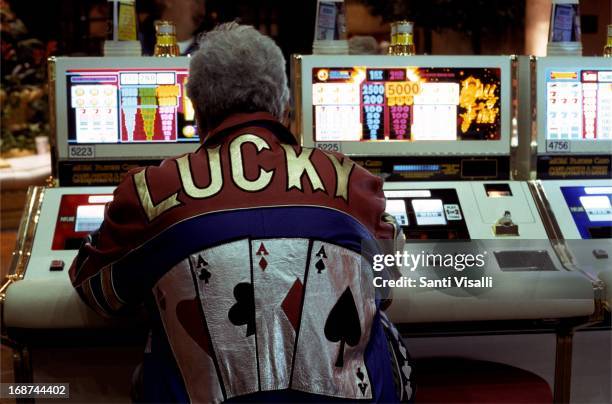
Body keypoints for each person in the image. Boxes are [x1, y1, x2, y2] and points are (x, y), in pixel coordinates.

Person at [70, 22, 413, 402]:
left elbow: (100, 294)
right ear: (284, 105)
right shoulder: (354, 181)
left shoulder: (150, 190)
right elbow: (384, 288)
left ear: (196, 109)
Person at [139, 0, 206, 55]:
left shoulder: (208, 50)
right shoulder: (137, 44)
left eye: (203, 2)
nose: (201, 8)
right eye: (196, 1)